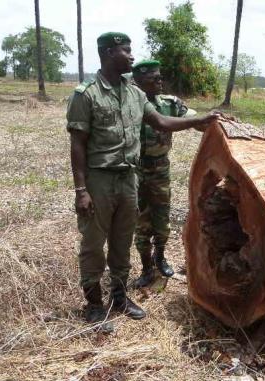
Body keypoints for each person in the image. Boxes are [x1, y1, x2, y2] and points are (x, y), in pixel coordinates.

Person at [66, 32, 218, 333]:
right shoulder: (86, 94)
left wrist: (198, 122)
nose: (132, 56)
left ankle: (120, 298)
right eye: (126, 50)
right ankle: (95, 304)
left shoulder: (134, 94)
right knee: (94, 244)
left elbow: (161, 121)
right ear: (110, 53)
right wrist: (81, 190)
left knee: (122, 242)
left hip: (129, 179)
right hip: (99, 179)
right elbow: (77, 145)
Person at [130, 60, 197, 288]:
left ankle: (160, 257)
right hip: (135, 170)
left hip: (160, 169)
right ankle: (146, 267)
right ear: (138, 81)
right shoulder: (128, 104)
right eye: (153, 78)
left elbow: (193, 119)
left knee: (162, 217)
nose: (160, 81)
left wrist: (215, 121)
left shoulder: (171, 103)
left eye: (160, 77)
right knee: (141, 221)